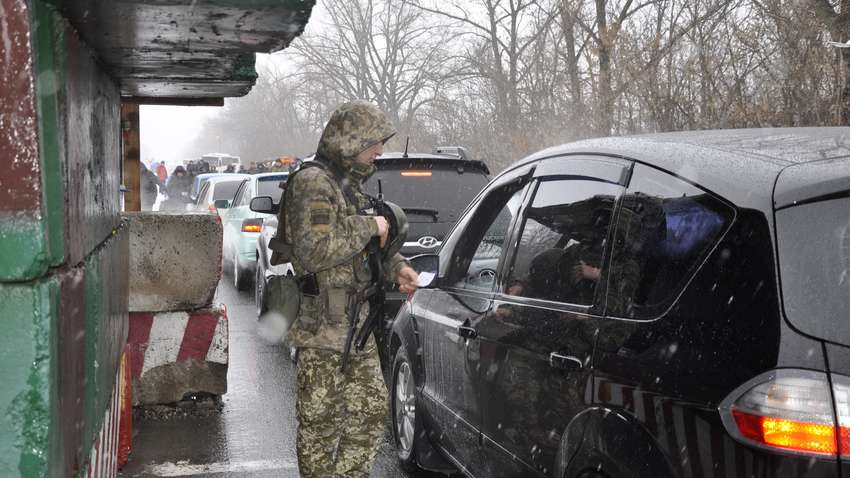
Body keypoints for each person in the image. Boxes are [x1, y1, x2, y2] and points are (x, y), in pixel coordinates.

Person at [281, 100, 418, 478]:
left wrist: (398, 267)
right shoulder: (313, 182)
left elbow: (367, 251)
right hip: (323, 326)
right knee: (320, 424)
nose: (380, 150)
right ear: (349, 140)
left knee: (372, 412)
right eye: (373, 142)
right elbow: (315, 250)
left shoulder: (348, 185)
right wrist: (369, 226)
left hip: (358, 327)